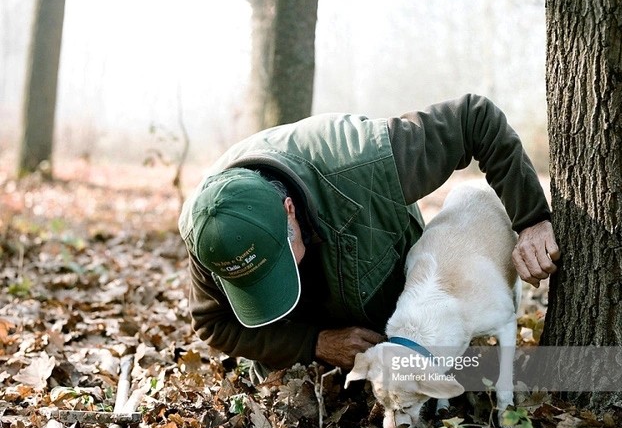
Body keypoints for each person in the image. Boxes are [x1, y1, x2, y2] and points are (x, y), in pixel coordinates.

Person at [179, 94, 559, 379]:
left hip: (389, 293)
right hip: (316, 335)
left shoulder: (367, 159)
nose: (280, 277)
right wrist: (315, 343)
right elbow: (213, 325)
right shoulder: (213, 233)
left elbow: (476, 119)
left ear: (289, 210)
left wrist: (531, 220)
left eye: (278, 264)